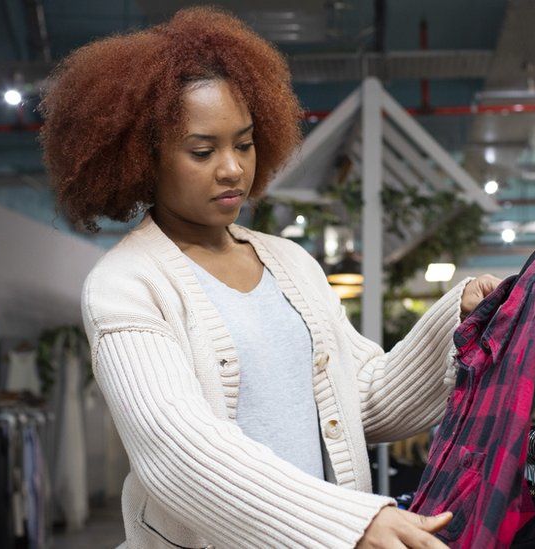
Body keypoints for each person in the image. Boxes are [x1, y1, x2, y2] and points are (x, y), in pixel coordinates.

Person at [39, 7, 502, 548]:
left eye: (245, 142)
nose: (233, 168)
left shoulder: (292, 264)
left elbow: (362, 398)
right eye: (202, 151)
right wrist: (349, 524)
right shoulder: (126, 283)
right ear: (143, 159)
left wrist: (460, 323)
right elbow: (179, 453)